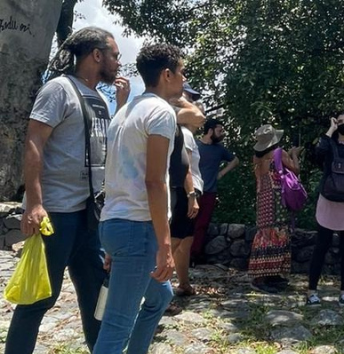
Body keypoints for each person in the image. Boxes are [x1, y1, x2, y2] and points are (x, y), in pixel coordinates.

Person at [6, 26, 128, 354]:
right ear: (97, 55)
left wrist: (121, 106)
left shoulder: (100, 99)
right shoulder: (59, 89)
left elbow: (108, 150)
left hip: (90, 216)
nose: (119, 62)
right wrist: (34, 203)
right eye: (115, 55)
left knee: (96, 296)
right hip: (56, 214)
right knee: (38, 299)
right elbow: (34, 141)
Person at [93, 43, 184, 353]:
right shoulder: (161, 112)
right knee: (117, 325)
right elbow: (154, 182)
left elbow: (115, 174)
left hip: (115, 223)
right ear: (167, 74)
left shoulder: (124, 113)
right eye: (181, 72)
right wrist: (166, 246)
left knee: (161, 297)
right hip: (137, 228)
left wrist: (114, 244)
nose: (184, 79)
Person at [306, 112, 344, 307]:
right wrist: (330, 129)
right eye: (339, 121)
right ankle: (312, 291)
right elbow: (317, 154)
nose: (342, 123)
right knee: (321, 247)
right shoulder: (329, 145)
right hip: (329, 201)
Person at [249, 124, 302, 293]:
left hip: (262, 199)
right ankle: (267, 276)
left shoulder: (256, 159)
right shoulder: (279, 153)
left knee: (265, 234)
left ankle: (266, 275)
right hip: (277, 199)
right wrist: (294, 154)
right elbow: (296, 170)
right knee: (279, 232)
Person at [168, 84, 205, 300]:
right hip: (184, 193)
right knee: (174, 241)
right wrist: (191, 196)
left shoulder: (181, 133)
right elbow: (186, 168)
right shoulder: (184, 134)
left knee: (185, 241)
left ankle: (184, 283)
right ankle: (158, 293)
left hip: (186, 192)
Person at [190, 118, 239, 261]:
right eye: (219, 130)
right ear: (210, 131)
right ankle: (182, 254)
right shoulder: (195, 145)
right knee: (188, 222)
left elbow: (235, 160)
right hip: (193, 190)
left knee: (202, 224)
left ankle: (194, 255)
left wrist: (221, 173)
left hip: (210, 192)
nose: (222, 133)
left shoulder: (220, 149)